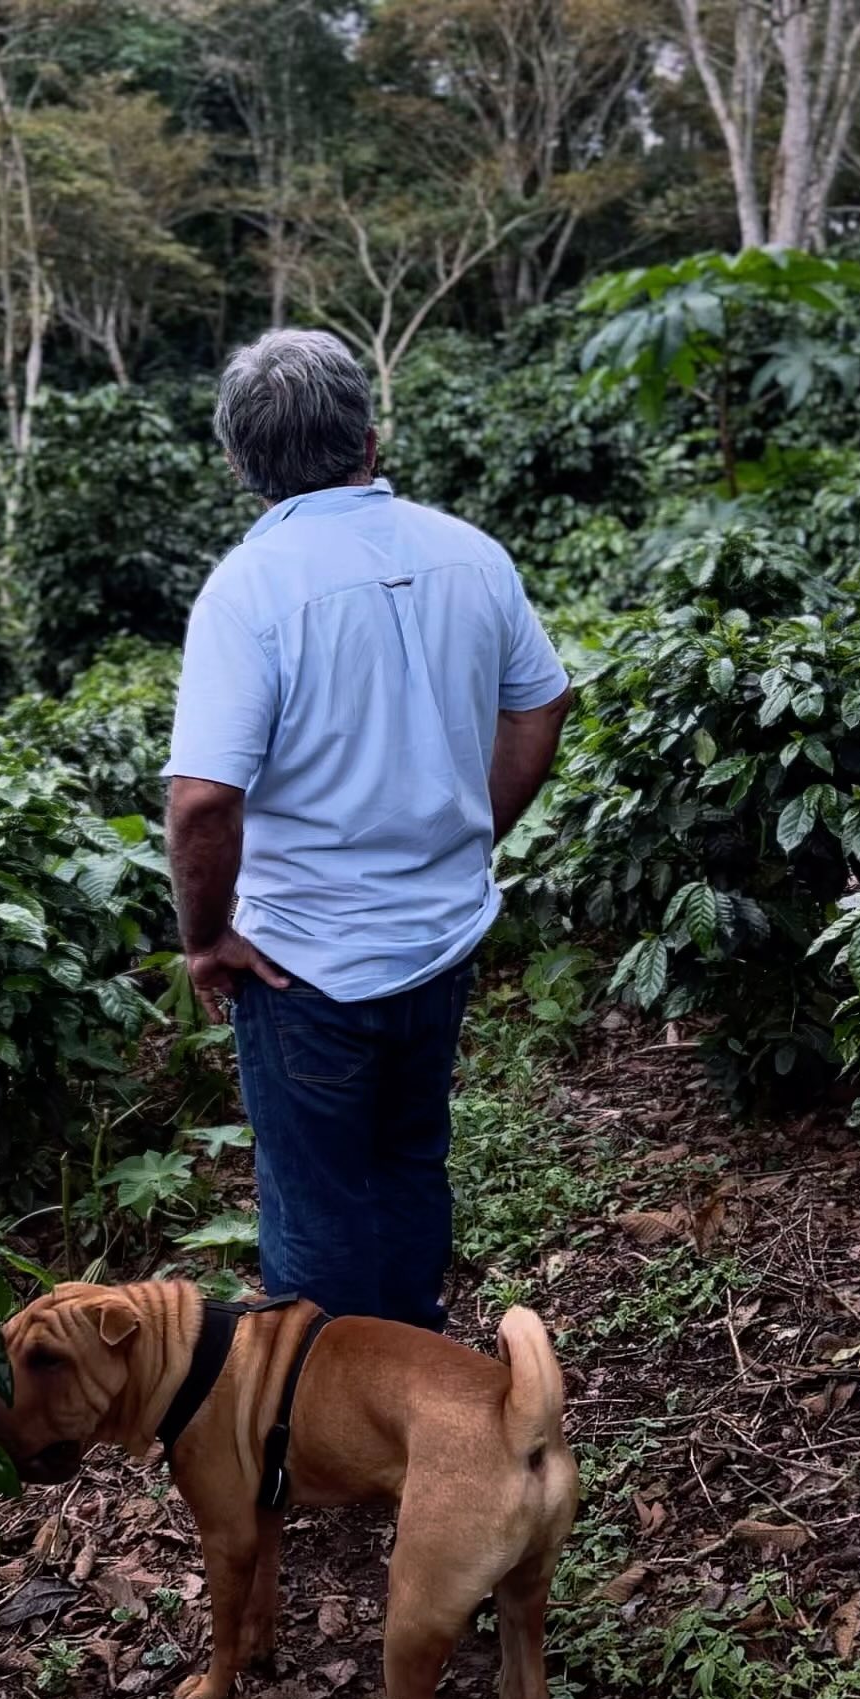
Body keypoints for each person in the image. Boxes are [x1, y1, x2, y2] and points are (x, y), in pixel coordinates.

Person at [164, 329, 570, 1329]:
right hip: (441, 940)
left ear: (241, 464)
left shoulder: (247, 592)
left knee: (316, 1206)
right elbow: (541, 705)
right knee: (408, 1163)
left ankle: (339, 1425)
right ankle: (419, 1385)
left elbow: (203, 799)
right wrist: (474, 835)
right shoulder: (471, 555)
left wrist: (206, 937)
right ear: (370, 442)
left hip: (304, 964)